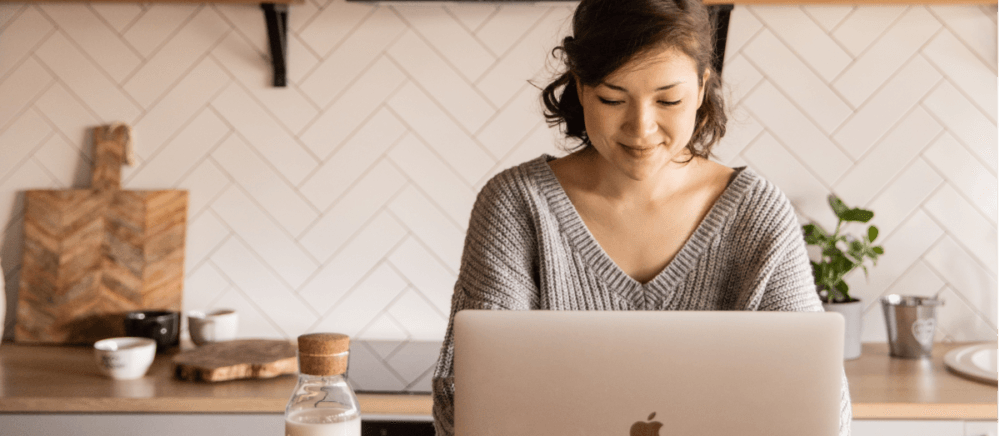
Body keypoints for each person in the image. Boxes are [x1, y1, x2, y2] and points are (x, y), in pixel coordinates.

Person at [431, 0, 852, 434]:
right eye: (613, 98)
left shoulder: (757, 214)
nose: (641, 128)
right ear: (579, 88)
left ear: (703, 87)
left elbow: (820, 410)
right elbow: (464, 399)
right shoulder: (516, 206)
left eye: (668, 99)